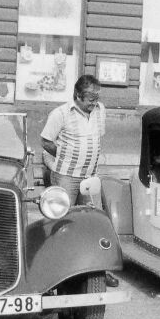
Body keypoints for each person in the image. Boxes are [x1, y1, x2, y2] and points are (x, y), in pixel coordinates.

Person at [41, 74, 118, 288]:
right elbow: (45, 141)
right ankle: (57, 274)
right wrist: (65, 156)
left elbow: (97, 138)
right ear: (77, 95)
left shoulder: (100, 110)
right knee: (62, 222)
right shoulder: (60, 114)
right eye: (91, 99)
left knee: (94, 223)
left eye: (97, 98)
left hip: (90, 177)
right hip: (66, 176)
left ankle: (98, 271)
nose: (95, 103)